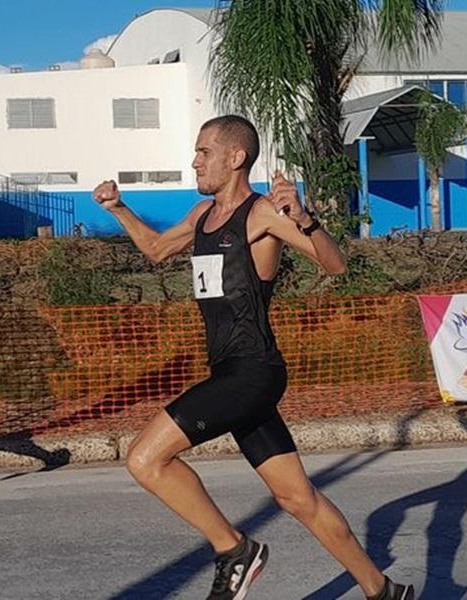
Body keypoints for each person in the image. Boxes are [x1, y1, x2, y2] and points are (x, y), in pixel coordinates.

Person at [93, 116, 414, 600]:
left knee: (144, 459)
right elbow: (157, 249)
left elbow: (335, 264)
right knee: (296, 497)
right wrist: (120, 209)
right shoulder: (202, 216)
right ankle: (383, 590)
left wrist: (304, 218)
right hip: (231, 373)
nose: (195, 160)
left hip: (253, 372)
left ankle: (234, 549)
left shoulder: (261, 214)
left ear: (235, 157)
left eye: (204, 151)